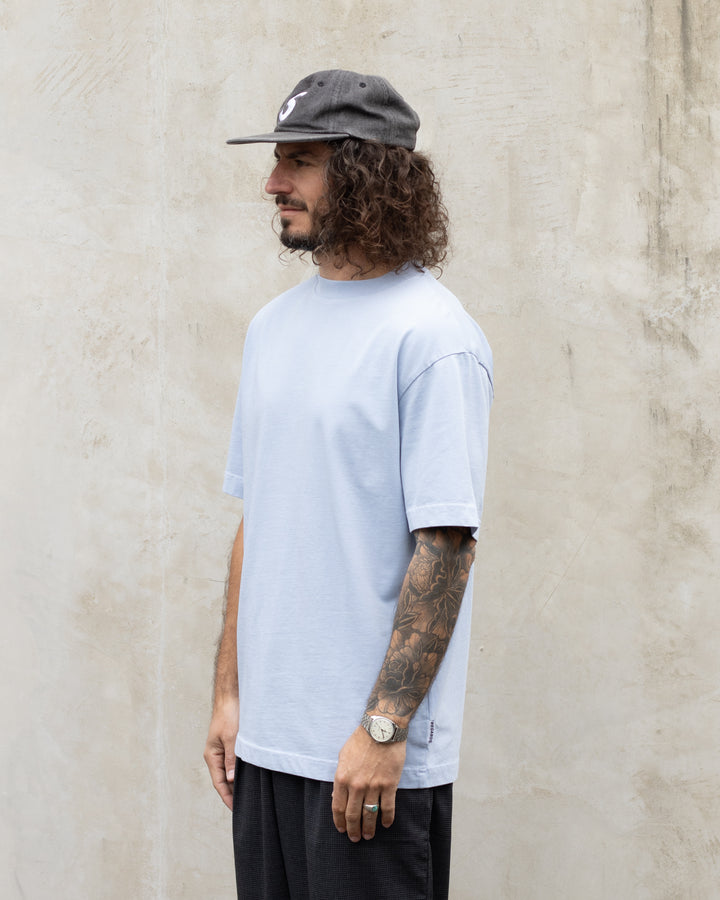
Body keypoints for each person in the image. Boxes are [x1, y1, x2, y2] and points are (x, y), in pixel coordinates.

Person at [204, 69, 493, 900]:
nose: (273, 183)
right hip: (267, 746)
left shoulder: (431, 337)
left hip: (363, 764)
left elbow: (446, 545)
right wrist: (229, 695)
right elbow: (259, 520)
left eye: (299, 161)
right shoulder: (272, 329)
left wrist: (383, 731)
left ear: (367, 173)